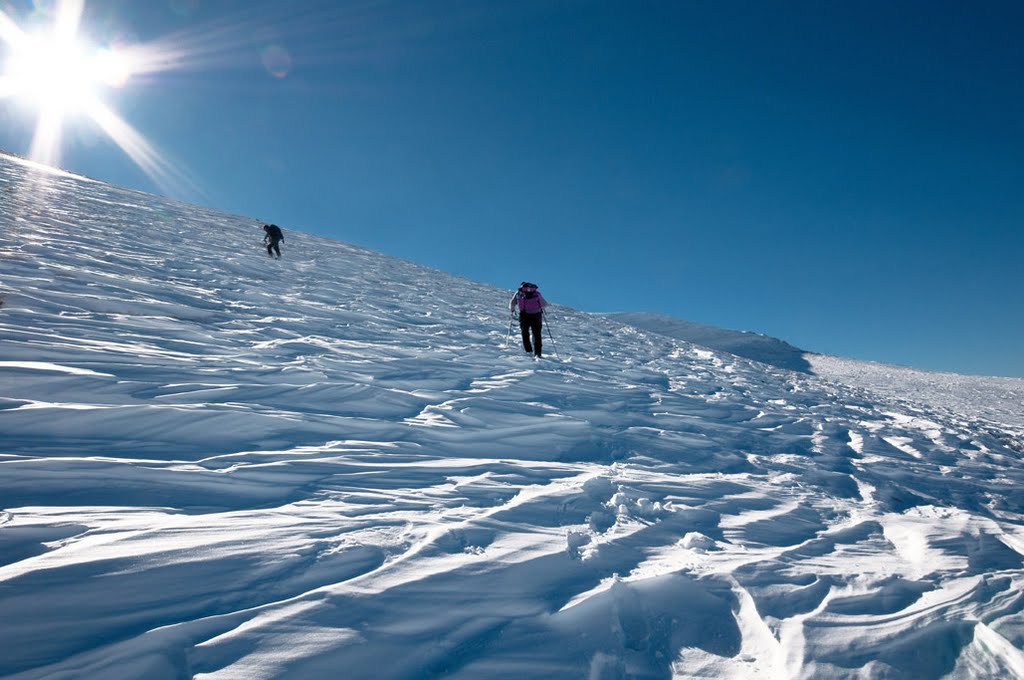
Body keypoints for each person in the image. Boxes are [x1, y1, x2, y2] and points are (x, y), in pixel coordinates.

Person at [509, 281, 547, 357]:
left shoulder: (519, 293)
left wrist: (512, 309)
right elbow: (544, 304)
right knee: (537, 334)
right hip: (536, 315)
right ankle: (537, 353)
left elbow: (512, 303)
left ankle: (528, 350)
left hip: (524, 315)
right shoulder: (536, 293)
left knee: (525, 333)